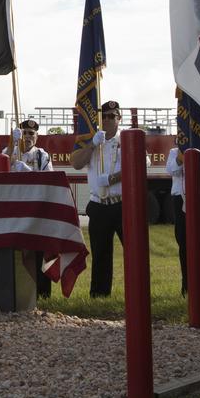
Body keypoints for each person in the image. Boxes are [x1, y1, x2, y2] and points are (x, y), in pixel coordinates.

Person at [71, 100, 133, 298]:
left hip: (122, 203)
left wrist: (113, 178)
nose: (107, 120)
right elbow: (76, 163)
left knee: (133, 252)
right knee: (100, 254)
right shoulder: (93, 139)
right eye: (103, 116)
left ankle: (136, 292)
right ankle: (99, 294)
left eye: (112, 116)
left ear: (119, 118)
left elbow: (137, 165)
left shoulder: (127, 138)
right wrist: (92, 145)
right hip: (99, 204)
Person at [6, 118, 55, 297]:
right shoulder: (10, 153)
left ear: (37, 136)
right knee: (18, 255)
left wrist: (28, 171)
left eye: (31, 134)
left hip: (36, 211)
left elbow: (48, 181)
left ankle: (42, 295)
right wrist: (12, 144)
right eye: (24, 133)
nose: (27, 137)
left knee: (39, 253)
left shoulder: (42, 155)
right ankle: (18, 293)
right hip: (15, 212)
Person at [165, 141, 200, 295]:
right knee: (184, 243)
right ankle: (187, 287)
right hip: (180, 198)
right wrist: (182, 158)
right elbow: (171, 170)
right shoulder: (175, 152)